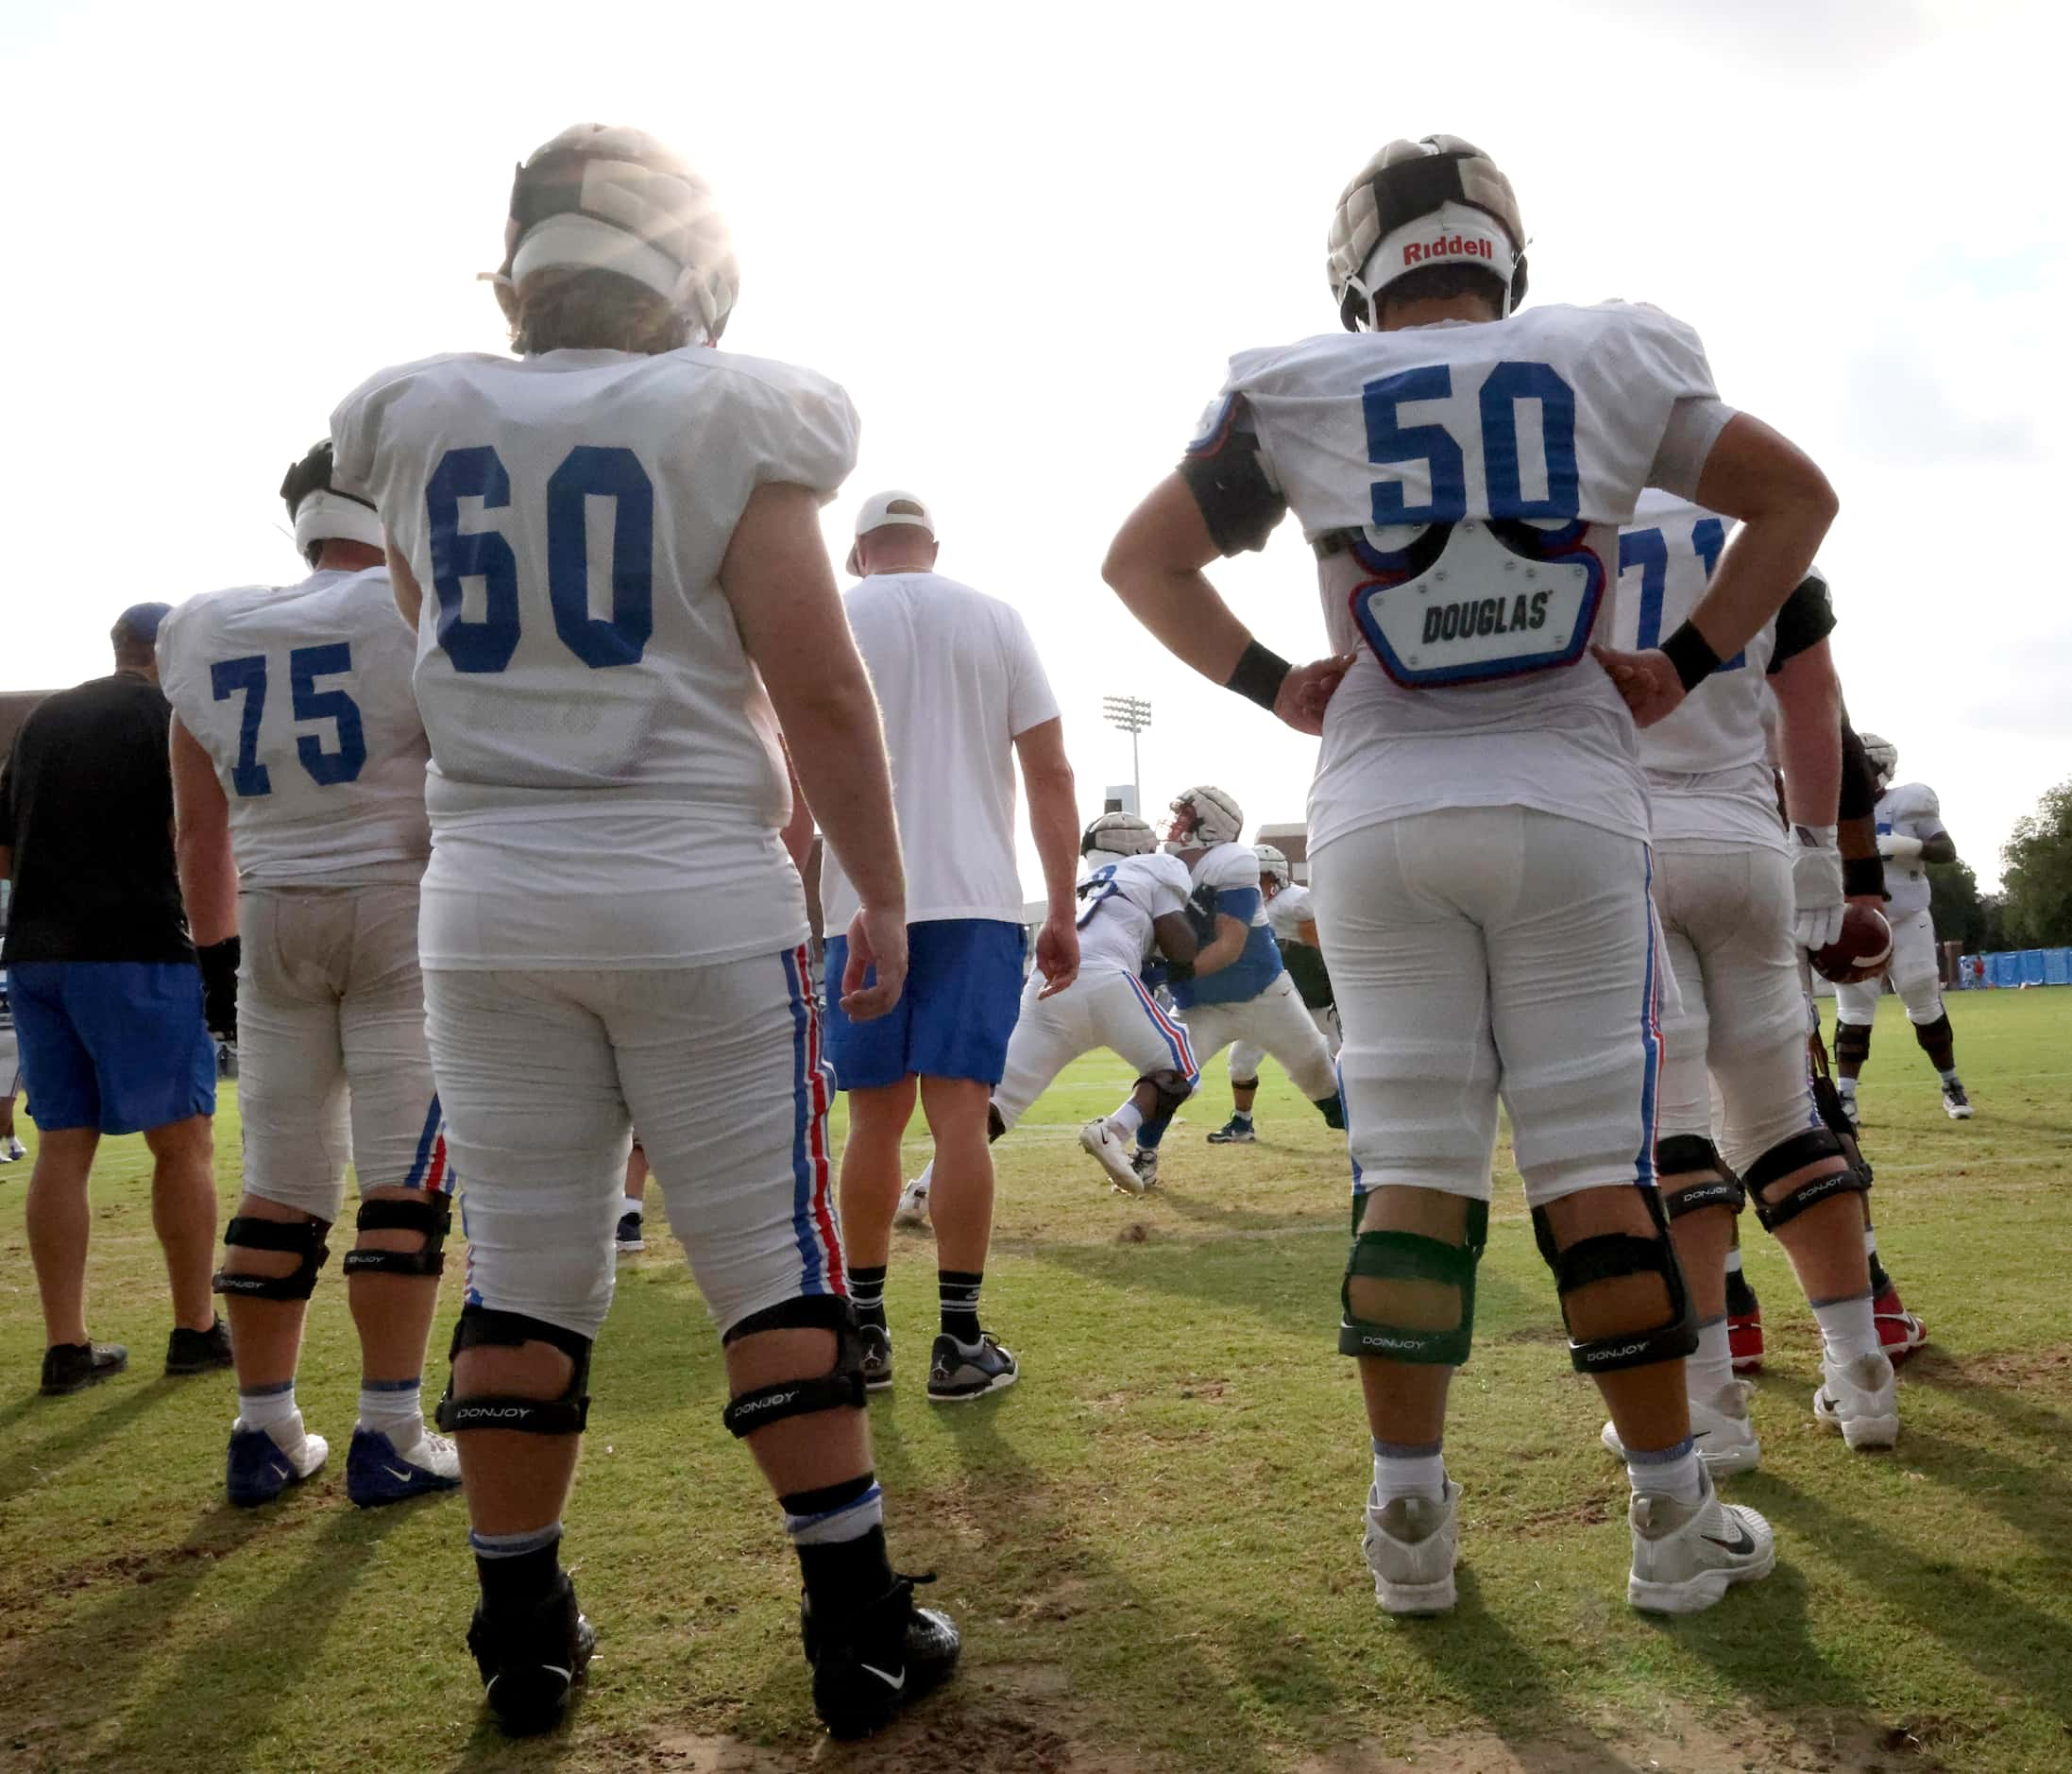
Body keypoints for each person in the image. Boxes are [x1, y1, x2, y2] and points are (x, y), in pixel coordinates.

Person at [1103, 135, 1838, 1614]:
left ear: (1357, 272)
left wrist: (1272, 682)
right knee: (1594, 1172)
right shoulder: (1607, 353)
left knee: (1411, 1176)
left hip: (1375, 806)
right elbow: (1796, 497)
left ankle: (1408, 1532)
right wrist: (1684, 659)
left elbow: (1140, 561)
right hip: (1568, 796)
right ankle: (1667, 1524)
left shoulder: (1300, 380)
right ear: (1500, 249)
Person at [329, 123, 954, 1738]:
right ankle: (855, 1624)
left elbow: (427, 622)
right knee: (767, 1255)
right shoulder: (724, 411)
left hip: (486, 898)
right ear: (694, 275)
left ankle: (522, 1630)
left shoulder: (408, 411)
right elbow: (815, 681)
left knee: (526, 1265)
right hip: (690, 888)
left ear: (517, 268)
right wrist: (878, 885)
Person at [156, 440, 464, 1509]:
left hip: (271, 915)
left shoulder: (204, 625)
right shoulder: (413, 610)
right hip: (398, 912)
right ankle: (389, 1427)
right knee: (402, 1185)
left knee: (279, 1183)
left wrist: (216, 959)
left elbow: (198, 830)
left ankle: (264, 1428)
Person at [1593, 490, 1897, 1475]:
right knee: (1782, 1121)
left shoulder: (1560, 530)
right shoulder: (1747, 531)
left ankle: (1710, 1400)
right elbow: (1814, 705)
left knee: (1671, 1132)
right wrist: (1822, 859)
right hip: (1743, 842)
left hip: (1614, 844)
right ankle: (1861, 1375)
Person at [821, 490, 1080, 1403]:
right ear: (933, 546)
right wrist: (1061, 906)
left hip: (852, 896)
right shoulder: (994, 616)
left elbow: (783, 769)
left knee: (871, 1122)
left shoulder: (833, 612)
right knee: (960, 1118)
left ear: (857, 555)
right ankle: (960, 1340)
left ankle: (866, 1331)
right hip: (973, 898)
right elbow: (1049, 770)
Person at [0, 602, 230, 1395]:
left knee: (64, 1144)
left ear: (115, 647)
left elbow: (5, 846)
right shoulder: (177, 713)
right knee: (183, 1140)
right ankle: (195, 1328)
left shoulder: (43, 722)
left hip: (34, 952)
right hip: (135, 947)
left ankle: (67, 1348)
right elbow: (198, 828)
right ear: (167, 652)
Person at [899, 813, 1204, 1224]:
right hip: (1104, 977)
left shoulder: (1080, 883)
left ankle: (922, 1190)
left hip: (1047, 985)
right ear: (1136, 844)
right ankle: (1113, 1131)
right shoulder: (1152, 868)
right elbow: (1182, 948)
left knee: (998, 1104)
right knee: (1182, 1067)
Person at [1114, 788, 1342, 1189]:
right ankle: (1143, 1154)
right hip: (1200, 1006)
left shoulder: (1234, 861)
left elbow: (1230, 946)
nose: (1176, 822)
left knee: (1323, 1083)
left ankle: (1378, 1153)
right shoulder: (1160, 864)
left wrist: (1173, 972)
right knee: (1166, 1078)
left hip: (1266, 996)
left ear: (1212, 827)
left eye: (1187, 815)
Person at [1833, 735, 1973, 1121]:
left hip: (1908, 916)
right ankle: (1845, 1097)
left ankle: (1951, 1084)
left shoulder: (1909, 802)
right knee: (1854, 1009)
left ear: (1881, 770)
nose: (1855, 776)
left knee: (1922, 999)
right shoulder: (1828, 805)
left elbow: (1947, 851)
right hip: (1853, 918)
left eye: (1862, 768)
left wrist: (1910, 847)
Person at [1205, 843, 1339, 1145]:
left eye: (1259, 876)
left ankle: (1364, 1119)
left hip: (1314, 999)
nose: (1253, 883)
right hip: (1270, 1001)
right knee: (1240, 1062)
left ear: (1275, 876)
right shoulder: (1244, 907)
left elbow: (1326, 948)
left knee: (1339, 1060)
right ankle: (1242, 1123)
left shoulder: (1296, 902)